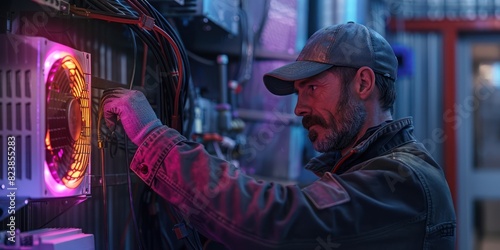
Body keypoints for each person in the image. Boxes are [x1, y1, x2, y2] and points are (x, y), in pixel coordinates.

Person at [102, 21, 456, 249]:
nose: (299, 108)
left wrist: (154, 139)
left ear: (363, 83)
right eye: (298, 93)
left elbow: (279, 220)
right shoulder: (363, 169)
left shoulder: (404, 181)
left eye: (312, 88)